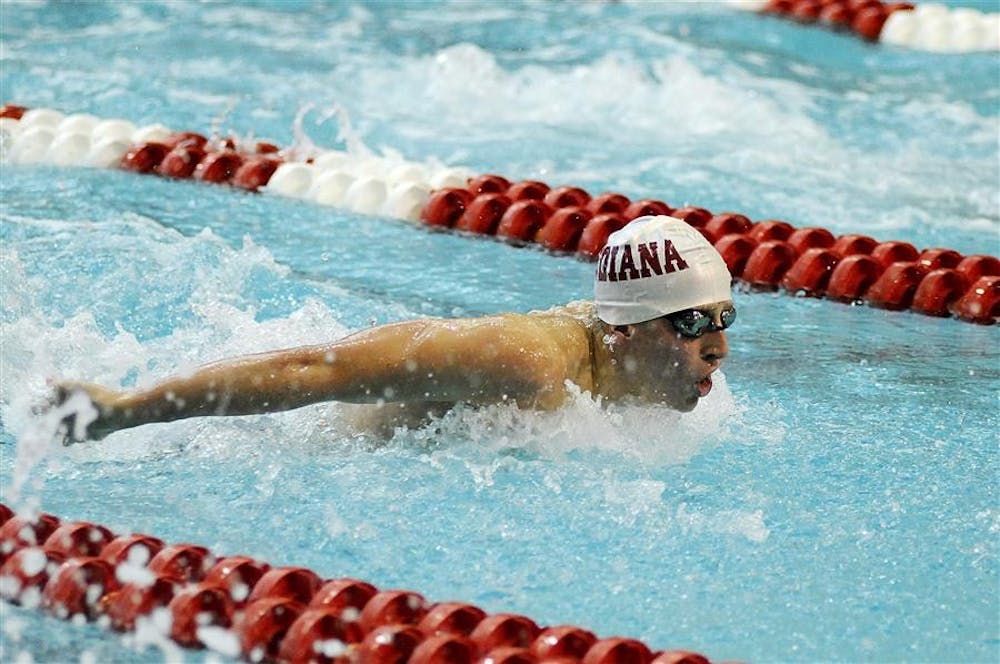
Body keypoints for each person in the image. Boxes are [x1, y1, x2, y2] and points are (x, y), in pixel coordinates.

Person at [49, 215, 736, 442]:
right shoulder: (528, 360)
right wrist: (124, 410)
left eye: (724, 319)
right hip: (322, 448)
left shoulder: (647, 371)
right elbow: (319, 370)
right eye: (694, 322)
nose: (718, 347)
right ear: (626, 330)